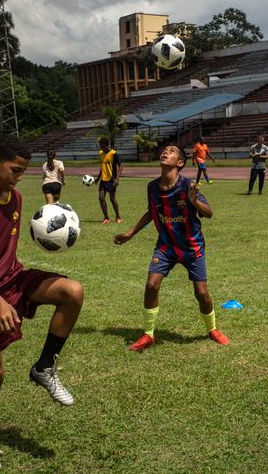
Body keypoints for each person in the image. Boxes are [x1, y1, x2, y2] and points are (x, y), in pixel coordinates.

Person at [0, 134, 84, 471]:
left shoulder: (13, 198)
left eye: (24, 171)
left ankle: (43, 367)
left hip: (13, 280)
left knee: (72, 292)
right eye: (15, 169)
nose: (19, 177)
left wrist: (7, 293)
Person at [114, 142, 229, 351]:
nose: (166, 152)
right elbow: (151, 211)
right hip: (166, 246)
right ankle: (148, 334)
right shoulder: (152, 187)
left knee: (201, 293)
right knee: (151, 286)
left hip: (192, 246)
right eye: (165, 150)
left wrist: (194, 201)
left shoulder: (188, 185)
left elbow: (209, 213)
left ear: (181, 163)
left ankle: (212, 329)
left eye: (173, 151)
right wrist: (131, 233)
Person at [95, 137, 123, 223]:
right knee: (101, 197)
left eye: (103, 147)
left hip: (111, 179)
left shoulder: (114, 154)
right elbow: (103, 166)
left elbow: (121, 165)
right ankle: (106, 218)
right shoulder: (101, 153)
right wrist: (98, 178)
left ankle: (118, 217)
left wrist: (117, 179)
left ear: (107, 145)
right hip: (103, 179)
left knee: (112, 198)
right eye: (100, 147)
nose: (101, 148)